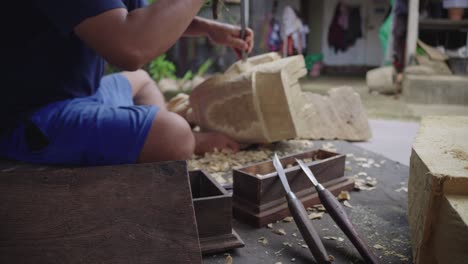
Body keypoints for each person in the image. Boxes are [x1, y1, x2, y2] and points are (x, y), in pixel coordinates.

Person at [1, 0, 254, 166]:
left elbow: (140, 18)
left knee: (142, 82)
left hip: (82, 94)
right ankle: (190, 142)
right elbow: (131, 47)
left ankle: (152, 137)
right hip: (30, 119)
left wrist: (208, 28)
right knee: (174, 135)